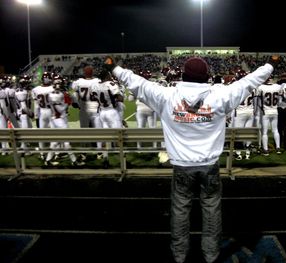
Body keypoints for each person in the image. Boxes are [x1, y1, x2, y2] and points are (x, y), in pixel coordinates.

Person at [105, 55, 275, 263]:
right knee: (211, 208)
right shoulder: (220, 96)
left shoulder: (166, 96)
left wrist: (114, 68)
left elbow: (137, 83)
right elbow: (249, 81)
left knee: (180, 209)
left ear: (183, 75)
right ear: (206, 77)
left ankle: (179, 254)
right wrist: (270, 65)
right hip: (209, 165)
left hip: (181, 165)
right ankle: (211, 254)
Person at [256, 76, 284, 156]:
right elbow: (280, 101)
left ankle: (266, 149)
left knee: (264, 132)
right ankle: (278, 148)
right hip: (275, 111)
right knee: (275, 130)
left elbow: (258, 102)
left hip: (265, 111)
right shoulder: (277, 87)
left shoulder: (261, 87)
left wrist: (262, 109)